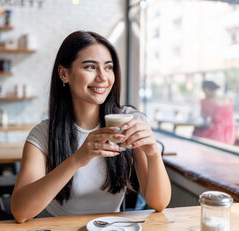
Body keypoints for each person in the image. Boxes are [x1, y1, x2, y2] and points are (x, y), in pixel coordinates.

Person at [11, 31, 171, 223]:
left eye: (108, 67)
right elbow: (20, 212)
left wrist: (153, 154)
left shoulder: (130, 121)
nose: (103, 77)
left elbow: (159, 204)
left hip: (111, 227)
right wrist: (78, 158)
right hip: (57, 227)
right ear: (64, 73)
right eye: (90, 67)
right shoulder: (43, 134)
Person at [193, 81, 236, 145]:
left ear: (206, 90)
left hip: (216, 135)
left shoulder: (206, 101)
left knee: (196, 132)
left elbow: (204, 117)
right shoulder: (229, 99)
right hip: (230, 134)